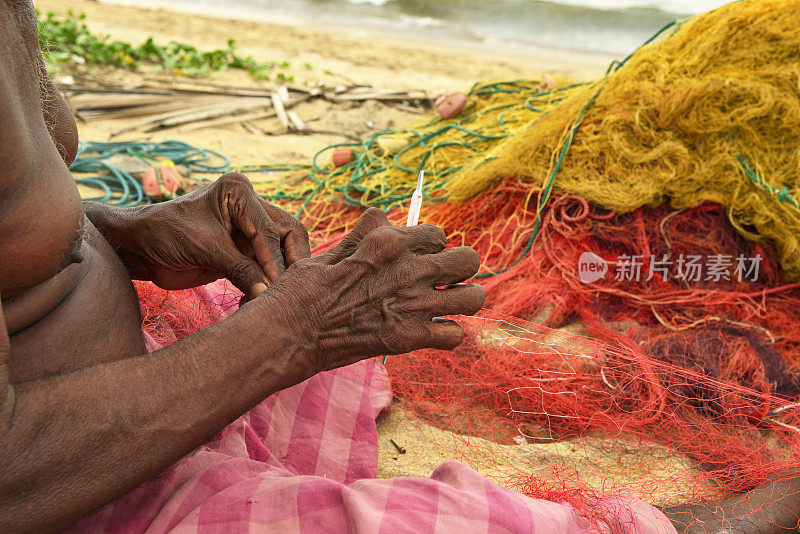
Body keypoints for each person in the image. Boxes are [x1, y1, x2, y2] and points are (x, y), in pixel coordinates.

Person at [0, 2, 794, 533]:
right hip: (82, 487)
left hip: (120, 380)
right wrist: (292, 333)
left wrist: (128, 229)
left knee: (329, 329)